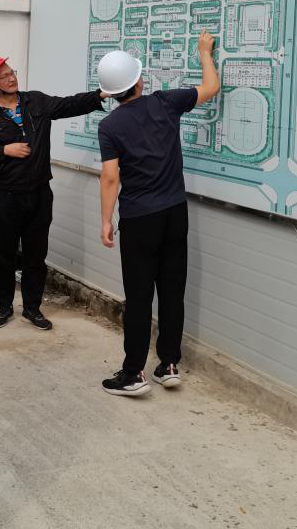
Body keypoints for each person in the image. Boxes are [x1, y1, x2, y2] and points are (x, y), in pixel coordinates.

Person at [96, 32, 219, 397]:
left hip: (138, 219)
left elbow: (110, 177)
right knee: (171, 290)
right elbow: (211, 88)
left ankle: (133, 372)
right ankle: (168, 364)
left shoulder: (110, 126)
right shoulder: (167, 102)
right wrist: (204, 52)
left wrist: (106, 220)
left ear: (110, 93)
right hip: (175, 213)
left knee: (138, 297)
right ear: (140, 81)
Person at [0, 56, 104, 330]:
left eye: (11, 72)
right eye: (4, 76)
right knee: (6, 256)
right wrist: (4, 150)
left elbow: (69, 104)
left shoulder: (36, 102)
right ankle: (4, 307)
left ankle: (32, 308)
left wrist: (100, 94)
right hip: (6, 197)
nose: (12, 78)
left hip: (39, 194)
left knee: (36, 255)